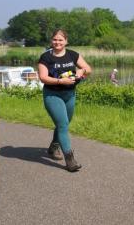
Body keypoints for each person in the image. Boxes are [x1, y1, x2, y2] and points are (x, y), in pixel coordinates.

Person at [38, 29, 91, 172]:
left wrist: (81, 71)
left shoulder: (72, 55)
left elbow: (88, 68)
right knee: (62, 124)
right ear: (51, 41)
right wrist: (61, 82)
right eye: (55, 39)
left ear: (66, 41)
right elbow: (43, 77)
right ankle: (70, 160)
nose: (57, 42)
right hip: (52, 95)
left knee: (64, 123)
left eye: (60, 40)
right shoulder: (45, 57)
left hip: (70, 94)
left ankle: (54, 146)